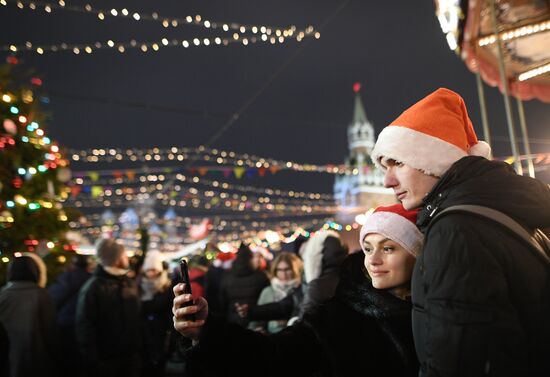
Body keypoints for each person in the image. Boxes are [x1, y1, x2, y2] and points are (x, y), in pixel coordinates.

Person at [370, 87, 550, 376]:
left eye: (398, 163)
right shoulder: (502, 209)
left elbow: (459, 358)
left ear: (434, 160)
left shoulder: (455, 230)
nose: (388, 181)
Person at [172, 204, 422, 377]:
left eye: (388, 248)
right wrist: (208, 331)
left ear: (416, 253)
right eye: (368, 249)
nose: (374, 260)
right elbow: (272, 357)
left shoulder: (442, 311)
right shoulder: (338, 314)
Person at [75, 239, 142, 377]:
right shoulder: (93, 288)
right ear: (117, 258)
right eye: (124, 255)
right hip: (106, 363)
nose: (127, 258)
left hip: (130, 359)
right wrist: (95, 364)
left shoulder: (129, 283)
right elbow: (85, 328)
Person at [0, 253, 57, 377]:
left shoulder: (3, 295)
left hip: (7, 360)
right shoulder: (42, 295)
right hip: (35, 359)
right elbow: (50, 331)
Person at [48, 254, 94, 377]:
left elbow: (54, 300)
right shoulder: (93, 280)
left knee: (66, 361)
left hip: (64, 325)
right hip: (86, 326)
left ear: (72, 265)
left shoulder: (64, 279)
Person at [245, 251, 303, 334]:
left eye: (287, 269)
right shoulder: (268, 291)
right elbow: (256, 321)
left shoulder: (303, 290)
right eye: (279, 270)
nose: (283, 274)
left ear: (296, 269)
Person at [139, 250, 173, 377]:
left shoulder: (167, 286)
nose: (151, 273)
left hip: (162, 330)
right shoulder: (139, 285)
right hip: (143, 330)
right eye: (149, 270)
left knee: (159, 362)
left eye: (154, 270)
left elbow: (161, 305)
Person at [218, 243, 269, 327]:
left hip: (232, 320)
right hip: (255, 320)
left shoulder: (226, 277)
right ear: (251, 259)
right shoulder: (261, 276)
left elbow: (222, 302)